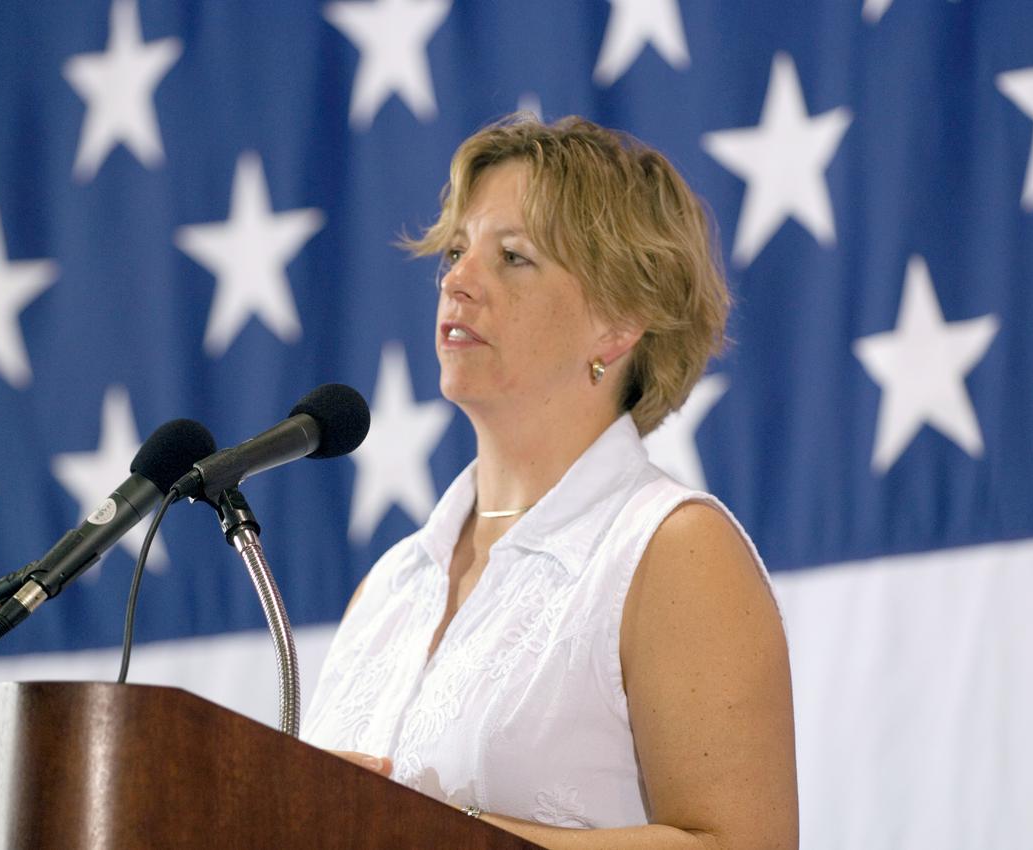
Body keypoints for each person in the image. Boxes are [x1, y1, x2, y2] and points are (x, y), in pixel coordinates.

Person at [301, 114, 798, 849]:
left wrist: (422, 831)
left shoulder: (673, 552)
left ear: (619, 322)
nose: (458, 282)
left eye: (514, 258)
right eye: (458, 251)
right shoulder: (390, 586)